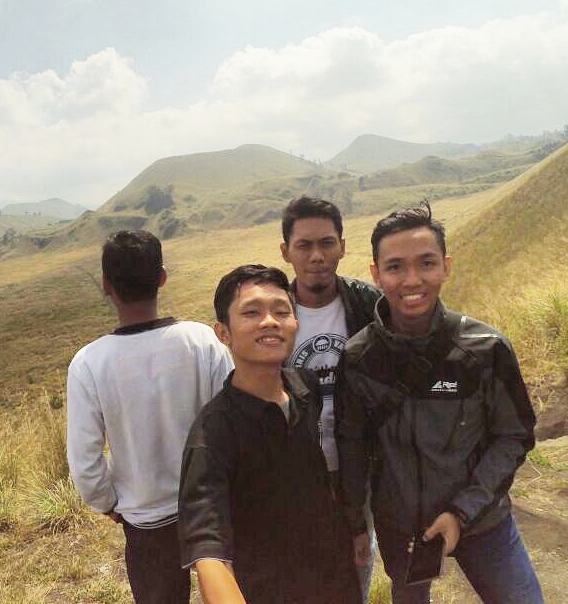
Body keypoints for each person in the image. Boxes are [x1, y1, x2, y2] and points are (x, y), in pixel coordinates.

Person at [337, 203, 545, 604]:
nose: (412, 279)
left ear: (446, 267)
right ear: (376, 274)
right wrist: (356, 525)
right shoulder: (359, 358)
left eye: (426, 263)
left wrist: (461, 512)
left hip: (484, 522)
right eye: (395, 267)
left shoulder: (484, 349)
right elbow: (353, 448)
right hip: (401, 530)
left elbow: (514, 436)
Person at [67, 230, 233, 604]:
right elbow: (232, 422)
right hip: (210, 505)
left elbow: (85, 463)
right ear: (162, 277)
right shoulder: (202, 341)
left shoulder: (89, 363)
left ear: (106, 285)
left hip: (145, 519)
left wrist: (108, 503)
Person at [179, 264, 361, 604]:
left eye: (281, 311)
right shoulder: (213, 434)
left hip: (335, 578)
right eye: (251, 312)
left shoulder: (304, 386)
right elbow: (209, 551)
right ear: (223, 332)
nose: (270, 321)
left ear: (295, 323)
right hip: (269, 589)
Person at [279, 196, 382, 597]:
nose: (317, 256)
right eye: (304, 245)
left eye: (327, 243)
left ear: (342, 246)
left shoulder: (371, 306)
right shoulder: (274, 313)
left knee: (357, 566)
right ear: (285, 251)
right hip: (297, 470)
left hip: (361, 466)